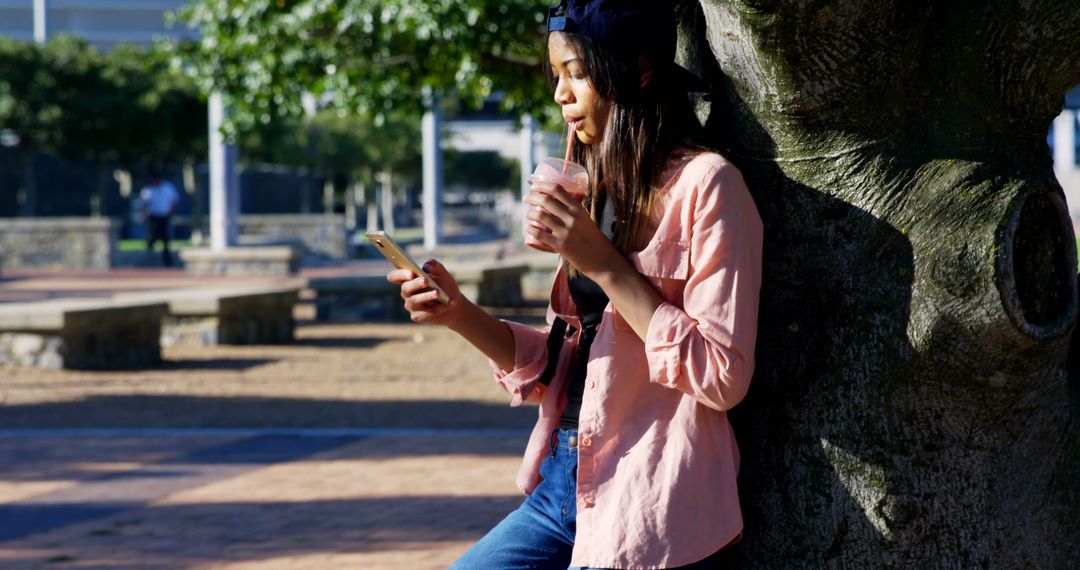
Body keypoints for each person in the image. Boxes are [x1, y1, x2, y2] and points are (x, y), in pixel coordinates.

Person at [387, 1, 763, 567]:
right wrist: (458, 313)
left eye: (577, 74)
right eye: (555, 76)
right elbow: (572, 360)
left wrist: (608, 266)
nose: (561, 95)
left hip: (650, 491)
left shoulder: (708, 187)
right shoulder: (597, 189)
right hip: (563, 483)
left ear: (638, 71)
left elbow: (722, 375)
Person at [140, 168, 181, 267]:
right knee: (152, 236)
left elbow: (174, 201)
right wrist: (143, 215)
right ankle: (149, 256)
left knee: (166, 238)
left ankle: (167, 260)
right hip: (153, 217)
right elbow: (144, 204)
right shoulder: (148, 190)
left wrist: (171, 212)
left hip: (165, 216)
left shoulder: (168, 187)